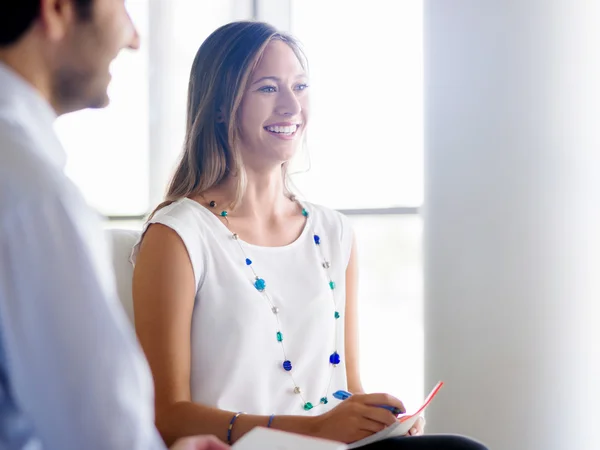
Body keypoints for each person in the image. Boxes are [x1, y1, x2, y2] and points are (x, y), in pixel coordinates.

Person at [131, 20, 488, 450]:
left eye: (300, 87)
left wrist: (378, 418)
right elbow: (165, 415)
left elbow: (346, 386)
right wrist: (312, 431)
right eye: (267, 88)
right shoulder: (177, 235)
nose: (291, 106)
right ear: (222, 105)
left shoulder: (333, 232)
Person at [0, 1, 228, 449]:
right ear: (58, 10)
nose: (135, 37)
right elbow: (103, 434)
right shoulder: (33, 196)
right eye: (120, 6)